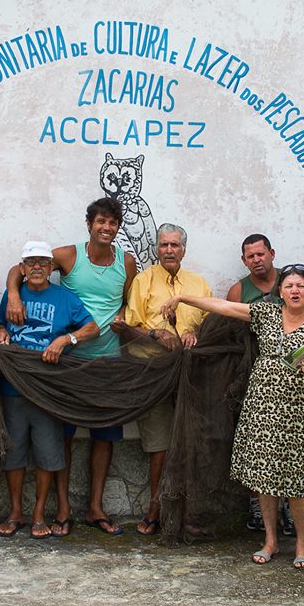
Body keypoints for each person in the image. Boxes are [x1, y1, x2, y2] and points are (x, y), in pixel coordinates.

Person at [162, 263, 304, 569]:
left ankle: (300, 544)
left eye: (301, 286)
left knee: (299, 479)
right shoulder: (266, 314)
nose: (295, 291)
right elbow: (223, 305)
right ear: (280, 292)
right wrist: (183, 298)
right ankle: (270, 541)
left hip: (300, 412)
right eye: (289, 286)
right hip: (262, 407)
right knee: (264, 476)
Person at [4, 198, 137, 536]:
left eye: (112, 223)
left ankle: (95, 507)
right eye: (100, 222)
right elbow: (20, 268)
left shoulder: (128, 263)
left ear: (118, 227)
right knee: (60, 435)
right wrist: (14, 296)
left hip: (107, 361)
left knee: (104, 435)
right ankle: (63, 508)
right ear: (90, 224)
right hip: (66, 366)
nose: (106, 228)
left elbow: (127, 301)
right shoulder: (68, 256)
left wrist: (123, 316)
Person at [0, 241, 100, 539]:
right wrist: (1, 333)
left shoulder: (65, 298)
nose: (37, 267)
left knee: (47, 453)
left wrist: (66, 340)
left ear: (52, 268)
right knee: (13, 454)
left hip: (48, 391)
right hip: (12, 388)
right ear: (22, 268)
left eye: (43, 262)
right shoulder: (11, 296)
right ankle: (15, 512)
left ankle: (39, 512)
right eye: (31, 262)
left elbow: (92, 329)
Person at [111, 223, 212, 535]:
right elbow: (127, 326)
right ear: (157, 248)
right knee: (161, 445)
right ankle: (156, 507)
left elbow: (212, 322)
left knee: (189, 444)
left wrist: (195, 332)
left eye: (175, 245)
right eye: (164, 245)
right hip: (153, 374)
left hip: (190, 377)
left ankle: (186, 512)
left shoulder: (198, 284)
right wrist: (156, 332)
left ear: (184, 249)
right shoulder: (144, 280)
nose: (170, 250)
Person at [225, 234, 294, 536]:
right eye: (250, 256)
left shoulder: (292, 281)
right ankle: (258, 507)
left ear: (272, 253)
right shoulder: (238, 290)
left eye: (261, 253)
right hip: (254, 377)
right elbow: (228, 332)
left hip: (295, 377)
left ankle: (290, 509)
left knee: (291, 444)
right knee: (258, 446)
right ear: (244, 260)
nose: (256, 259)